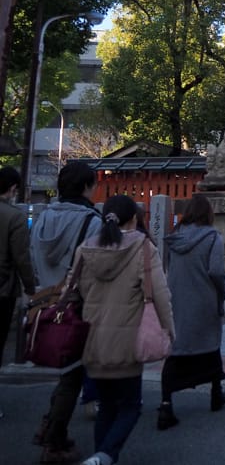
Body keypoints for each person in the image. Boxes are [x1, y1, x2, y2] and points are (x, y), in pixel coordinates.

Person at [68, 194, 173, 465]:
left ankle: (100, 456)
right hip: (128, 338)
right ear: (135, 218)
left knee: (106, 408)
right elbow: (161, 295)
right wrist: (168, 330)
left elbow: (72, 290)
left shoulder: (86, 249)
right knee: (130, 406)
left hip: (92, 338)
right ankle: (104, 456)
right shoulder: (142, 249)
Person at [31, 162, 103, 463]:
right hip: (76, 303)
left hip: (44, 302)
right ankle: (54, 439)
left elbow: (33, 257)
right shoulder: (93, 222)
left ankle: (50, 425)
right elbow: (96, 268)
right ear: (87, 186)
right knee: (73, 374)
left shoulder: (43, 217)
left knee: (65, 371)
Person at [158, 194, 225, 430]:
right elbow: (217, 271)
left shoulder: (174, 238)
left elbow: (166, 267)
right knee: (210, 345)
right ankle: (216, 393)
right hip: (204, 299)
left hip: (177, 300)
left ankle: (166, 402)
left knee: (176, 349)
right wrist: (221, 293)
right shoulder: (212, 238)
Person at [1, 167, 35, 380]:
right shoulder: (15, 217)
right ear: (13, 188)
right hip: (3, 287)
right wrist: (30, 286)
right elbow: (21, 257)